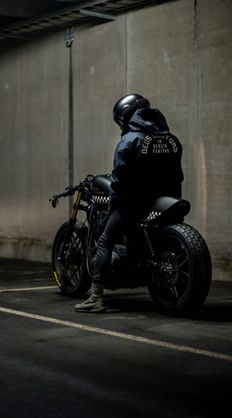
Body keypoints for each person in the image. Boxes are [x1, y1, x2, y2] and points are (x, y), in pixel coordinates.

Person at [74, 94, 184, 313]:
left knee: (105, 240)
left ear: (125, 115)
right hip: (163, 202)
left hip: (134, 205)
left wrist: (115, 205)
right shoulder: (170, 139)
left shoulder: (129, 140)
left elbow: (120, 179)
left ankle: (96, 297)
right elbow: (177, 175)